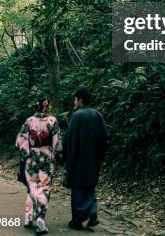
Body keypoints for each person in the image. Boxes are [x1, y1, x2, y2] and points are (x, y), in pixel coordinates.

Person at [64, 88, 108, 231]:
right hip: (93, 159)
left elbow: (69, 140)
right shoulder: (97, 115)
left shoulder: (77, 116)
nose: (74, 103)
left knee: (78, 188)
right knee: (90, 187)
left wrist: (68, 160)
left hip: (78, 159)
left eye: (75, 100)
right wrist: (99, 156)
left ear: (80, 100)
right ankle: (92, 214)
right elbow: (105, 137)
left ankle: (77, 220)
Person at [16, 97, 62, 235]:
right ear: (47, 107)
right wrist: (56, 156)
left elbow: (21, 139)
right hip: (47, 157)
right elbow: (57, 142)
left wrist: (27, 154)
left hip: (32, 158)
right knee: (44, 187)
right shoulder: (52, 121)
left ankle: (29, 218)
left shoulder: (29, 121)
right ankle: (40, 218)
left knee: (33, 187)